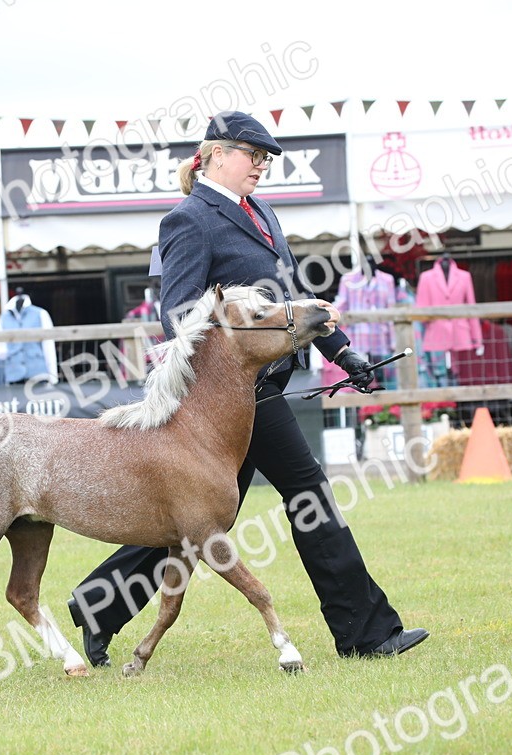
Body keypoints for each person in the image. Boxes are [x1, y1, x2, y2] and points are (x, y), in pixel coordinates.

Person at [67, 111, 427, 665]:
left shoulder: (259, 212)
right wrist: (231, 356)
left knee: (204, 518)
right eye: (252, 154)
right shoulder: (189, 220)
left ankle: (98, 605)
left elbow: (293, 294)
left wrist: (339, 350)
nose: (261, 165)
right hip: (232, 397)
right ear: (215, 154)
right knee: (309, 495)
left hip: (263, 389)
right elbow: (180, 313)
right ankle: (368, 635)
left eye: (265, 158)